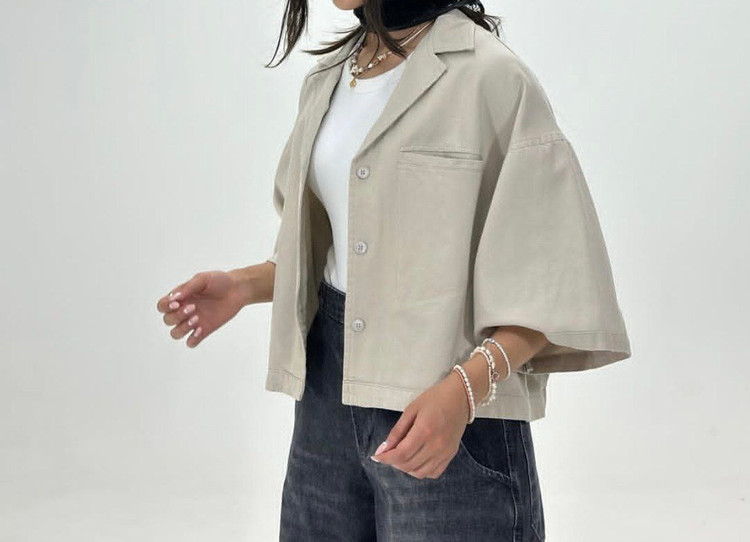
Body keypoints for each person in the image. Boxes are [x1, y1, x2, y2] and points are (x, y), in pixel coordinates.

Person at [156, 1, 632, 540]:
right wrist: (244, 286)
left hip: (446, 410)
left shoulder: (493, 78)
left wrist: (463, 392)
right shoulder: (330, 79)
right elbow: (352, 250)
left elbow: (551, 280)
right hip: (324, 405)